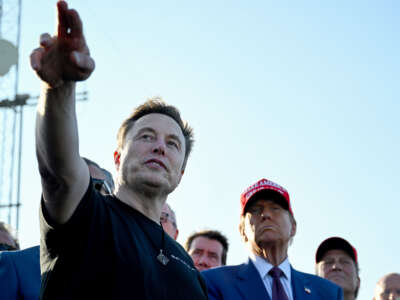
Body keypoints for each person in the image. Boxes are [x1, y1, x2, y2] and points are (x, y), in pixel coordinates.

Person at [30, 2, 207, 299]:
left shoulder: (188, 267)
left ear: (181, 173)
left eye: (172, 143)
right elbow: (58, 172)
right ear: (117, 157)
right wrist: (59, 87)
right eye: (146, 136)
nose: (160, 147)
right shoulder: (88, 215)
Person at [202, 178, 343, 300]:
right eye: (256, 210)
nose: (266, 214)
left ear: (293, 226)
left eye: (275, 208)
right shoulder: (213, 283)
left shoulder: (327, 293)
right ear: (242, 231)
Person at [0, 159, 116, 300]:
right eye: (69, 186)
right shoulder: (16, 266)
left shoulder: (135, 270)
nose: (81, 194)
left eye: (94, 186)